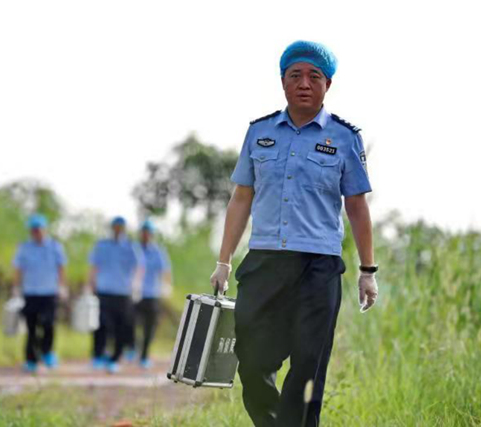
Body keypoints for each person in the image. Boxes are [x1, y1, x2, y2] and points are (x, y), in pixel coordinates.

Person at [209, 40, 379, 427]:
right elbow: (241, 199)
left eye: (314, 76)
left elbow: (357, 206)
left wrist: (367, 270)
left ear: (328, 84)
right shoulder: (259, 132)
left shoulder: (345, 139)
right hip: (265, 262)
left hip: (318, 268)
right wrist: (223, 261)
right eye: (295, 75)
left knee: (307, 364)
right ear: (282, 81)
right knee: (251, 360)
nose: (304, 83)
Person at [12, 213, 68, 373]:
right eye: (33, 230)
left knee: (48, 324)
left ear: (44, 229)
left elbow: (61, 268)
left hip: (49, 292)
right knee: (31, 328)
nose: (36, 232)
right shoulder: (24, 248)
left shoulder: (55, 247)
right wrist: (16, 287)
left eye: (39, 229)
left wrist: (62, 286)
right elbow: (18, 269)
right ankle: (31, 359)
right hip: (30, 293)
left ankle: (48, 352)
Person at [89, 216, 144, 374]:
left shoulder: (131, 247)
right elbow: (94, 266)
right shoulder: (102, 245)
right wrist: (90, 285)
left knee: (121, 326)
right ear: (112, 228)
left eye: (121, 227)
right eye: (116, 227)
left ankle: (115, 358)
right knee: (101, 324)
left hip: (123, 292)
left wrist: (136, 285)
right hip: (104, 291)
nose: (118, 230)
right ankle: (97, 356)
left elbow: (139, 268)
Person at [132, 219, 172, 369]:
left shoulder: (158, 251)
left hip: (152, 294)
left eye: (148, 233)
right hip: (134, 294)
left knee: (150, 326)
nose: (146, 235)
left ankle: (144, 355)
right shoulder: (133, 248)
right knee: (130, 323)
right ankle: (132, 348)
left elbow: (165, 271)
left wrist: (166, 286)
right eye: (144, 232)